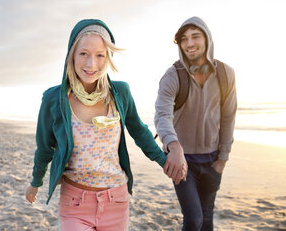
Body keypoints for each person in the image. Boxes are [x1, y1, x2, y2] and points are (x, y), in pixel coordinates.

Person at [25, 19, 185, 231]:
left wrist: (164, 160)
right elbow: (45, 147)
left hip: (116, 202)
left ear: (108, 57)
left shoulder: (120, 92)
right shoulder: (54, 98)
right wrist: (36, 181)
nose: (91, 64)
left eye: (100, 55)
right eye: (83, 53)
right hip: (75, 202)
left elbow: (139, 131)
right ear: (71, 54)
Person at [154, 16, 237, 231]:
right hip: (182, 162)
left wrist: (223, 159)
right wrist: (174, 146)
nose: (189, 43)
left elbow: (228, 117)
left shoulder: (226, 74)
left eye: (195, 36)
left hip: (213, 160)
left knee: (207, 219)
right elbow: (162, 115)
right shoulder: (173, 76)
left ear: (207, 39)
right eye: (184, 39)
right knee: (193, 220)